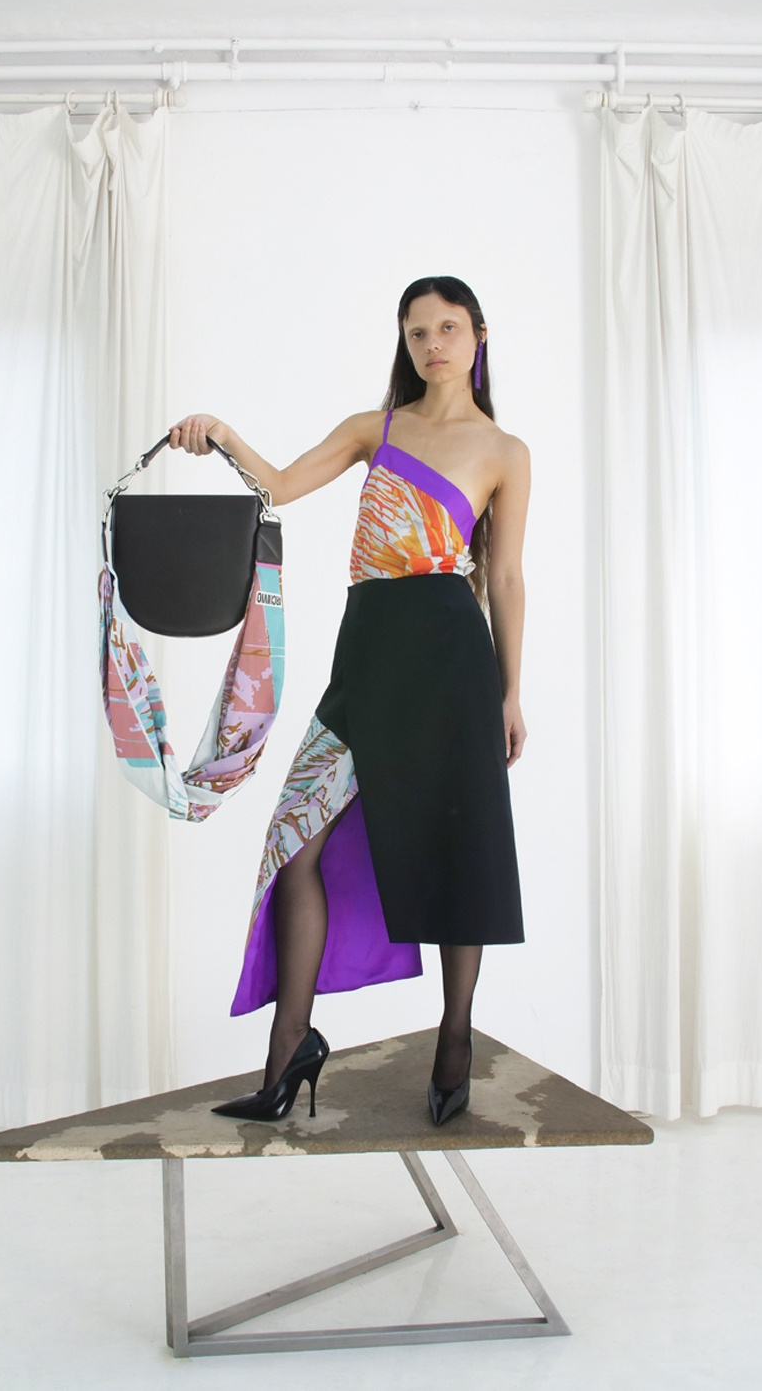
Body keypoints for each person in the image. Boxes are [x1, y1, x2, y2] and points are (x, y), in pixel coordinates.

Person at [169, 276, 530, 1126]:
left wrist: (512, 692)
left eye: (448, 328)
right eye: (417, 332)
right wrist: (222, 434)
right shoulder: (378, 429)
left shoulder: (504, 451)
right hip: (367, 656)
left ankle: (454, 1038)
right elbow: (281, 485)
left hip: (450, 661)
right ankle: (289, 1048)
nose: (432, 344)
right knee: (293, 841)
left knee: (457, 849)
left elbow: (506, 577)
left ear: (478, 336)